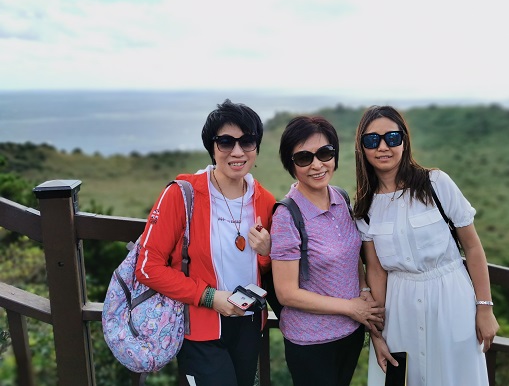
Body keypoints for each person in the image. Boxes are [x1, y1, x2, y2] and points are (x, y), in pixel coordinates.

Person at [353, 105, 499, 386]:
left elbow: (472, 247)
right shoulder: (366, 206)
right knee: (406, 377)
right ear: (362, 148)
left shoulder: (436, 184)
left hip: (450, 299)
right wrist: (378, 335)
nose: (383, 147)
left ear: (404, 140)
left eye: (392, 138)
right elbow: (377, 271)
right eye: (372, 140)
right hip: (400, 308)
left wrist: (485, 308)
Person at [135, 99, 276, 386]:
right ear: (212, 147)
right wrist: (210, 297)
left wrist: (266, 253)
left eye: (247, 141)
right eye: (226, 142)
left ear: (256, 146)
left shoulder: (265, 200)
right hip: (201, 328)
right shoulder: (182, 195)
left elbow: (268, 269)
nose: (237, 151)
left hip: (249, 325)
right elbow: (148, 267)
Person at [270, 115, 385, 386]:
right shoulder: (287, 216)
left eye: (325, 153)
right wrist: (351, 307)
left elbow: (351, 254)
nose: (317, 165)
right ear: (290, 163)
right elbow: (286, 293)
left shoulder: (341, 199)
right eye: (304, 158)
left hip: (350, 333)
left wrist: (363, 290)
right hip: (311, 342)